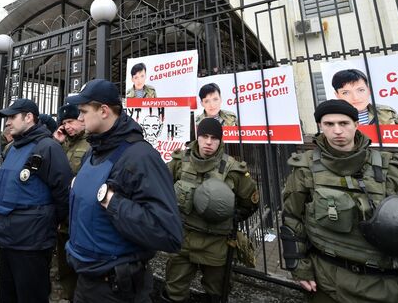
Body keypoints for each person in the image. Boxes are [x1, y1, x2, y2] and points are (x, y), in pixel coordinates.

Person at [280, 99, 398, 303]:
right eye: (329, 124)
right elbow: (292, 219)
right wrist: (299, 268)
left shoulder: (388, 168)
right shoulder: (304, 169)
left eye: (344, 123)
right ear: (321, 127)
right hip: (328, 279)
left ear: (356, 125)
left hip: (387, 284)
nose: (337, 131)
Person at [65, 79, 182, 302]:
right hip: (86, 281)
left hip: (117, 289)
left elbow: (169, 233)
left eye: (83, 111)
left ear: (104, 111)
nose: (79, 118)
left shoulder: (141, 157)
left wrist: (113, 202)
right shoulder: (93, 152)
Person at [162, 118, 259, 303]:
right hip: (183, 238)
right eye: (204, 136)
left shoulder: (233, 169)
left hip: (217, 243)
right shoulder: (179, 161)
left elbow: (251, 201)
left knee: (217, 293)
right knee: (173, 291)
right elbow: (161, 187)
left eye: (214, 138)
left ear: (221, 141)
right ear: (197, 137)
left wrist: (235, 214)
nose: (208, 142)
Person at [0, 98, 72, 303]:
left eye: (12, 117)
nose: (7, 122)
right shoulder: (12, 148)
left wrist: (48, 222)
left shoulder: (48, 148)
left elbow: (63, 194)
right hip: (7, 239)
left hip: (32, 242)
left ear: (29, 117)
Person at [52, 103, 90, 301]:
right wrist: (56, 142)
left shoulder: (91, 144)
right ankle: (69, 293)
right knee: (64, 262)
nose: (67, 126)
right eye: (64, 122)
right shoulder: (63, 143)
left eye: (71, 121)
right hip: (63, 213)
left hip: (81, 215)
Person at [331, 69, 398, 125]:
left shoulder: (386, 112)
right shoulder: (331, 119)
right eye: (345, 93)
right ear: (337, 95)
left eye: (360, 90)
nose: (355, 97)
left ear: (369, 90)